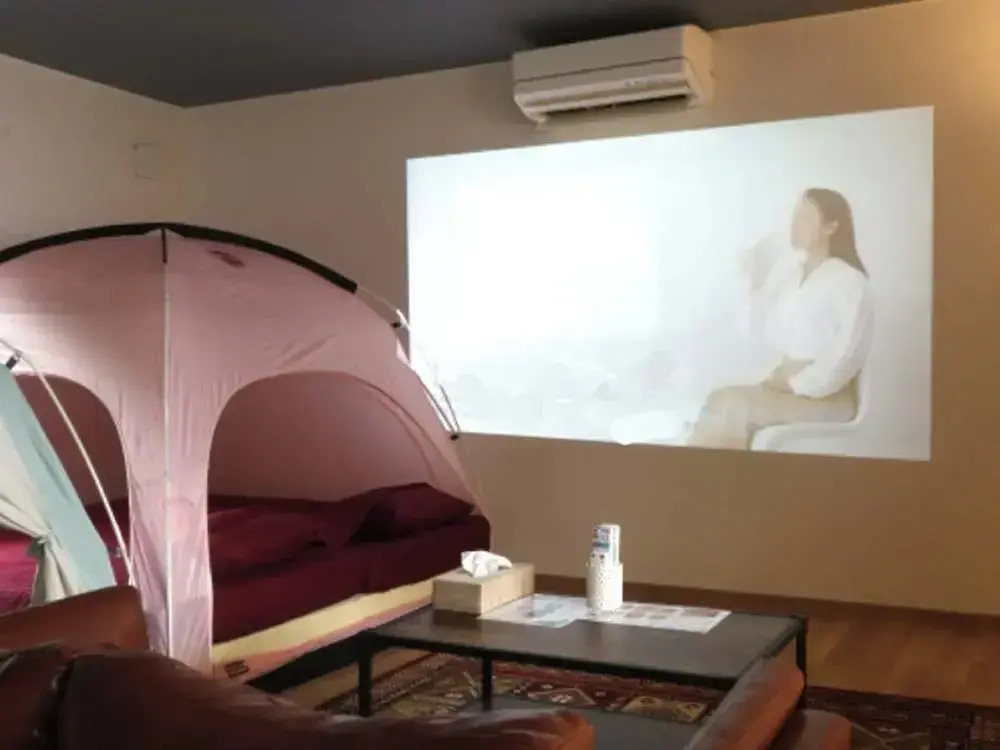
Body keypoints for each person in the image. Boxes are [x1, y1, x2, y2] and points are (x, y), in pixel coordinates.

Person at [687, 188, 874, 450]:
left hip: (827, 398)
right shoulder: (790, 279)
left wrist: (795, 382)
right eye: (795, 216)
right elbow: (759, 334)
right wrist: (755, 282)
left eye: (806, 217)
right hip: (786, 388)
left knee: (730, 406)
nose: (795, 224)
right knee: (718, 400)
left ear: (831, 226)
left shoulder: (850, 281)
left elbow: (846, 357)